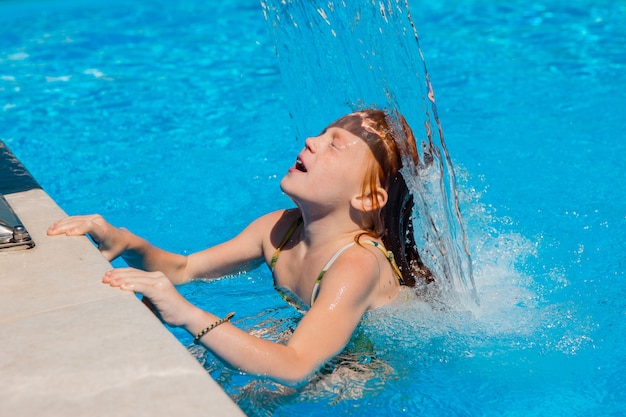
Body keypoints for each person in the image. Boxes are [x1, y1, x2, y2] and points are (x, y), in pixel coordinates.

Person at [47, 108, 433, 386]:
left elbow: (295, 367)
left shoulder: (355, 267)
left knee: (259, 393)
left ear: (367, 198)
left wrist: (185, 314)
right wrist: (125, 241)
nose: (311, 141)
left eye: (335, 145)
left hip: (368, 363)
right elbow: (184, 269)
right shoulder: (279, 229)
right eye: (321, 132)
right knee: (189, 367)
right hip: (315, 339)